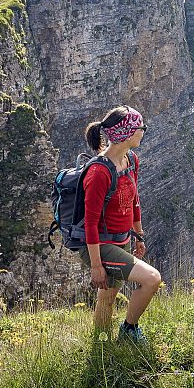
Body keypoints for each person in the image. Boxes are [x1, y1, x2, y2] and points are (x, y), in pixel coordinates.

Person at [79, 105, 161, 343]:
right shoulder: (99, 172)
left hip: (121, 239)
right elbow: (91, 223)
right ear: (126, 132)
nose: (143, 131)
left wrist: (139, 235)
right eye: (140, 127)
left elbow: (134, 201)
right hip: (100, 244)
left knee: (108, 296)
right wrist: (96, 266)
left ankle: (102, 346)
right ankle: (129, 330)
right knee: (151, 279)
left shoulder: (131, 160)